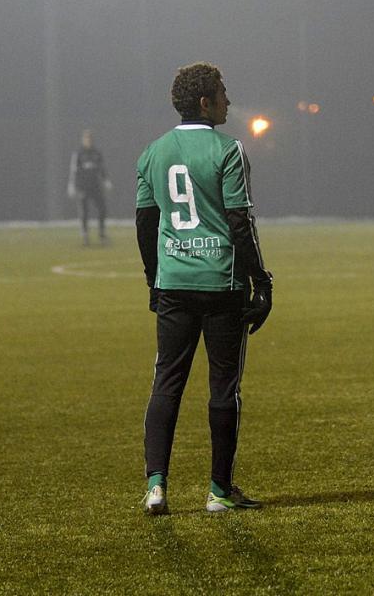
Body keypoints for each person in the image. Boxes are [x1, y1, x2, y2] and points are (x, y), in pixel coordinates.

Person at [136, 62, 273, 515]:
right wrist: (261, 281)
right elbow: (240, 221)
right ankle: (219, 491)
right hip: (221, 283)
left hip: (173, 283)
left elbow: (145, 224)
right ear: (204, 102)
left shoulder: (152, 152)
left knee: (166, 382)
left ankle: (156, 486)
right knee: (224, 386)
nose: (228, 101)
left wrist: (154, 279)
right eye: (222, 93)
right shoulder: (228, 150)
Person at [67, 129, 111, 246]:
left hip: (95, 185)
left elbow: (102, 168)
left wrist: (106, 180)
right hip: (83, 186)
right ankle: (85, 235)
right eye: (86, 138)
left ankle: (102, 234)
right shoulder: (78, 153)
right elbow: (74, 171)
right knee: (84, 211)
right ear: (83, 140)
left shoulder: (96, 153)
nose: (88, 141)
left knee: (102, 209)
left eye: (90, 138)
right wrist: (72, 185)